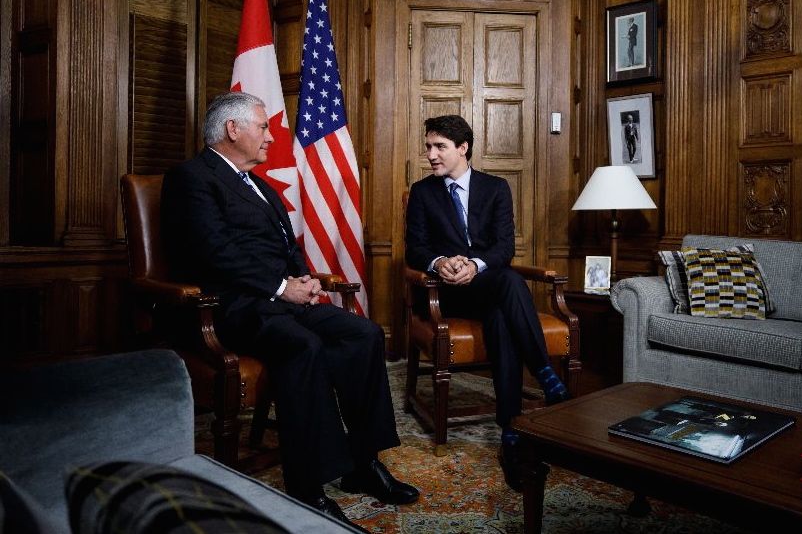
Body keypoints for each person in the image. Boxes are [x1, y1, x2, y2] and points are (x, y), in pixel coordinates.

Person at [161, 92, 418, 532]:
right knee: (304, 346)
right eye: (263, 127)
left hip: (279, 300)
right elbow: (212, 253)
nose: (271, 135)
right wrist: (282, 287)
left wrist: (303, 280)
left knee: (365, 334)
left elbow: (287, 244)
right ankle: (307, 485)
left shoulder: (258, 183)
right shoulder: (191, 177)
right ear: (232, 129)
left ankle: (362, 462)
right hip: (230, 307)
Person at [404, 114, 571, 492]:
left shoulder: (496, 188)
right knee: (509, 284)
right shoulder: (422, 192)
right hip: (445, 291)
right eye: (428, 146)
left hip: (487, 285)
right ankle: (545, 373)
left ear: (463, 148)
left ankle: (510, 432)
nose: (430, 154)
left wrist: (475, 266)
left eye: (439, 147)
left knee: (502, 307)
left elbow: (503, 248)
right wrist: (442, 263)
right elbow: (415, 249)